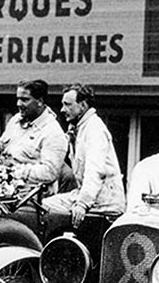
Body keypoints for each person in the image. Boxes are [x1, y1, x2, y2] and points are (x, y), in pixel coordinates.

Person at [43, 84, 125, 234]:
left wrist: (82, 204)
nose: (62, 110)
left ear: (82, 105)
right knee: (43, 206)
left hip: (104, 203)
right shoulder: (81, 127)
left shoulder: (94, 129)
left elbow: (95, 171)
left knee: (45, 210)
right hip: (91, 197)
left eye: (67, 105)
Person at [0, 79, 68, 193]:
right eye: (18, 99)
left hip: (30, 200)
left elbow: (50, 172)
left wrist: (15, 171)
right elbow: (1, 146)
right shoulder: (15, 120)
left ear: (39, 101)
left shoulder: (52, 132)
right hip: (3, 191)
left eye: (24, 99)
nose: (18, 104)